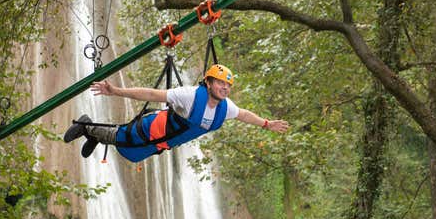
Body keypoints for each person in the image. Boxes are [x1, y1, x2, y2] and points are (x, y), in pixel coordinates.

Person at [63, 64, 289, 162]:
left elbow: (244, 114)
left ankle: (93, 134)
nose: (225, 88)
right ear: (208, 82)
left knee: (131, 153)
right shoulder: (190, 95)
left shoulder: (225, 108)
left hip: (163, 142)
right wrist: (115, 91)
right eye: (220, 83)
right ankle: (86, 126)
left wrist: (266, 124)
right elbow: (152, 94)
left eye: (228, 85)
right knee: (123, 138)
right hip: (153, 128)